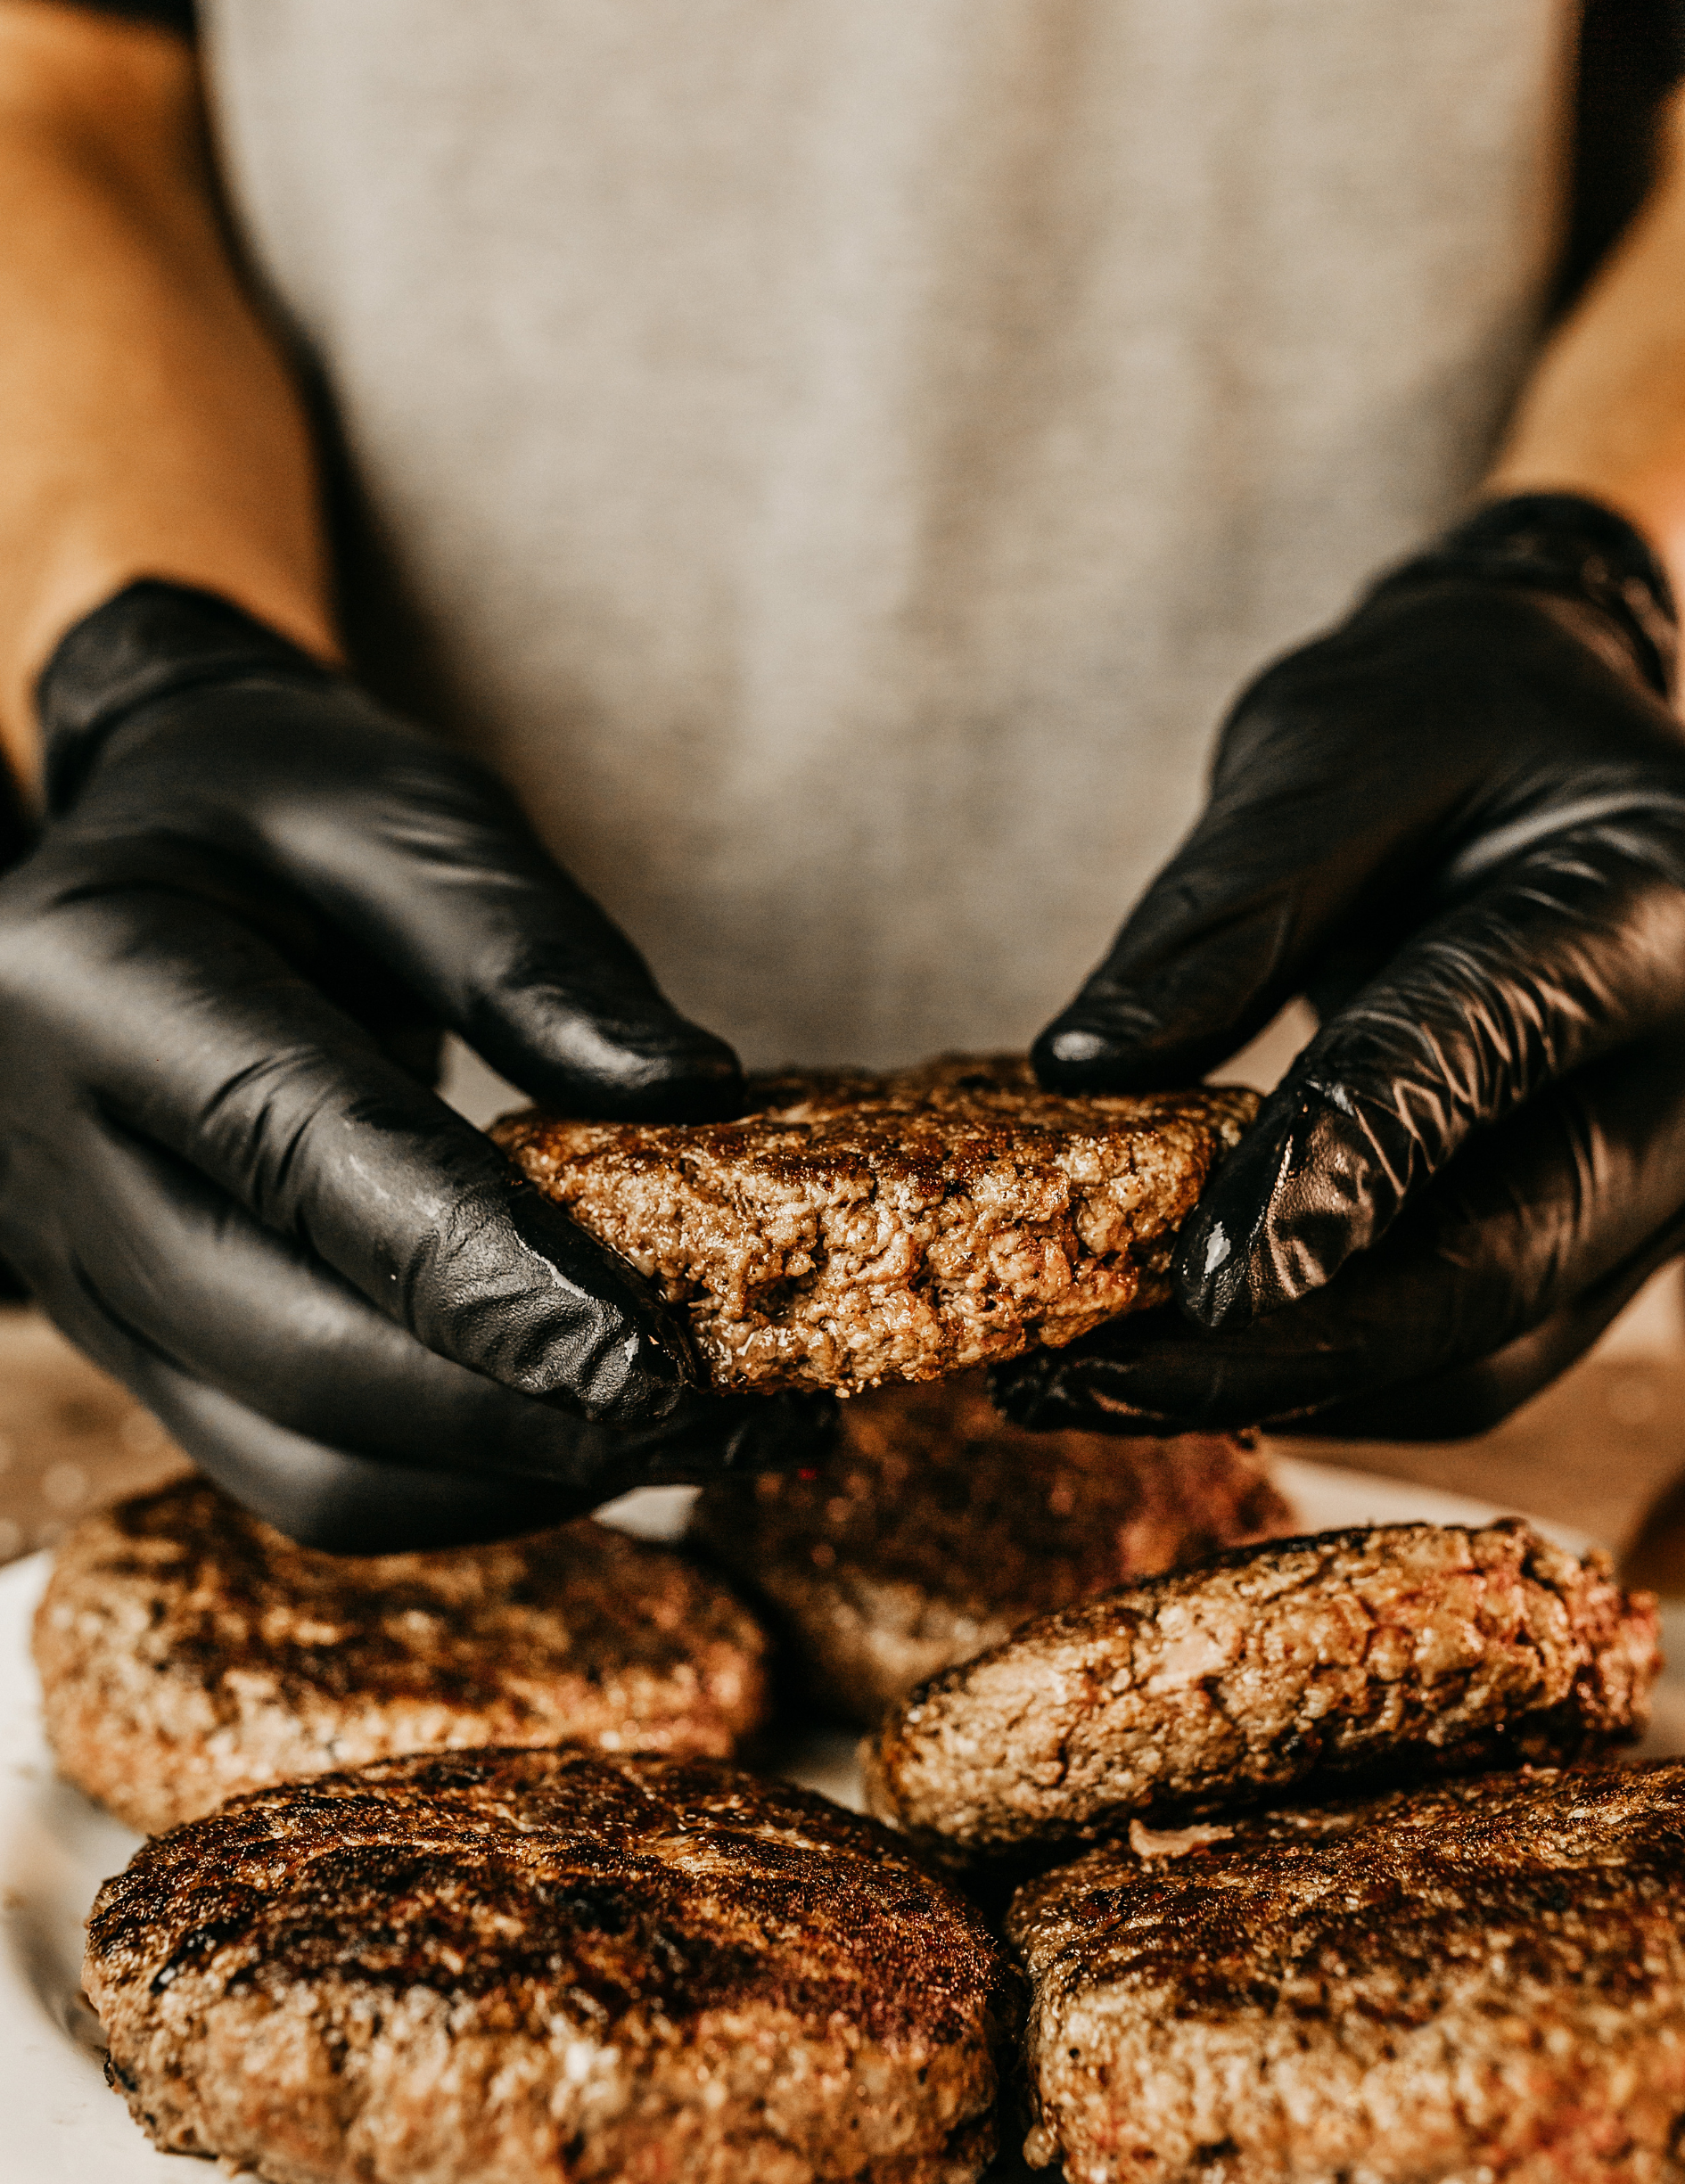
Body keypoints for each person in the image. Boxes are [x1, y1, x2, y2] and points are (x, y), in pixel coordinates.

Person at [4, 0, 1685, 1549]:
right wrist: (142, 654)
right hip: (367, 1148)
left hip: (1434, 1135)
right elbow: (46, 82)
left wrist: (1605, 585)